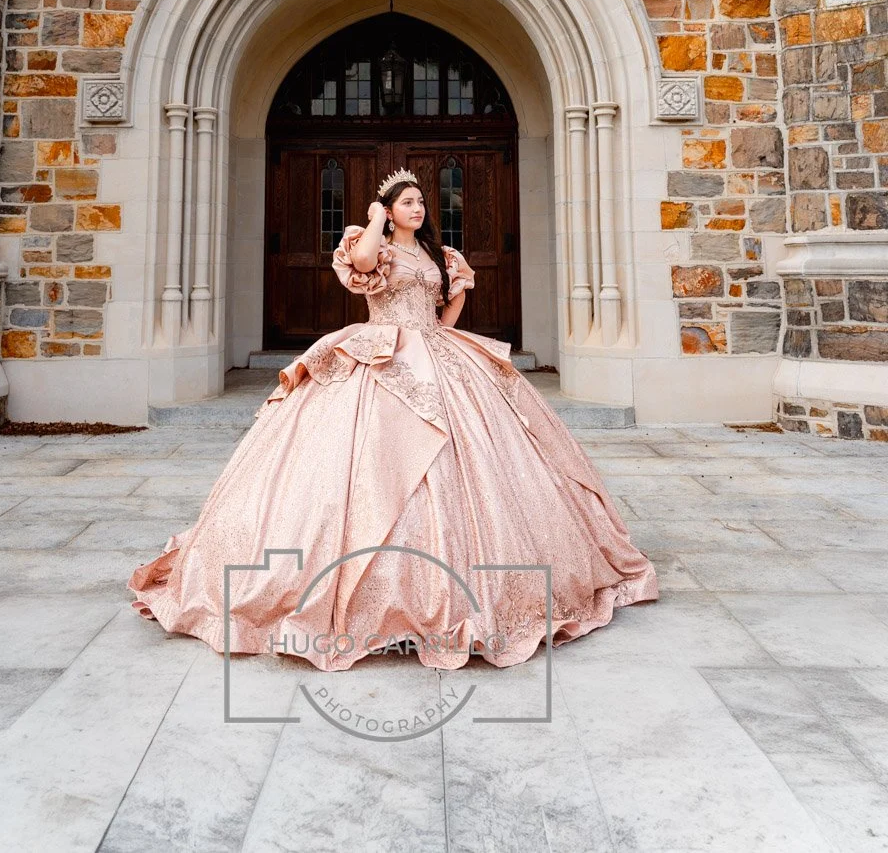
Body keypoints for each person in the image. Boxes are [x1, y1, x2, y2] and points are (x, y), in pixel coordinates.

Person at [127, 169, 658, 671]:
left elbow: (441, 317)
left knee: (476, 456)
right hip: (382, 351)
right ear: (389, 210)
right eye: (408, 202)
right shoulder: (371, 243)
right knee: (366, 461)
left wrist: (462, 290)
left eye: (422, 202)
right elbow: (358, 268)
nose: (419, 208)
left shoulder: (437, 255)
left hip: (439, 353)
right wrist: (375, 218)